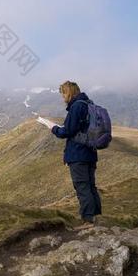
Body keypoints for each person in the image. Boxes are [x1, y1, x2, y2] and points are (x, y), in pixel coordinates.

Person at [51, 81, 101, 230]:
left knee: (82, 186)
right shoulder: (89, 104)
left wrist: (54, 129)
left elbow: (68, 131)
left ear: (69, 92)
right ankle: (96, 217)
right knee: (91, 186)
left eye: (63, 94)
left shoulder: (77, 107)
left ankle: (87, 221)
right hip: (90, 153)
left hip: (78, 154)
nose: (62, 98)